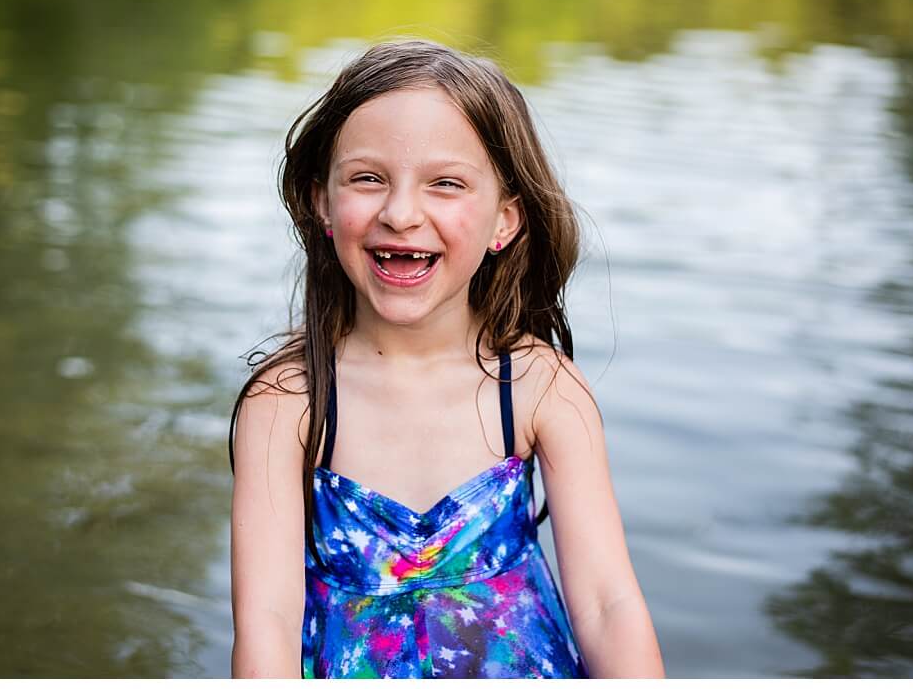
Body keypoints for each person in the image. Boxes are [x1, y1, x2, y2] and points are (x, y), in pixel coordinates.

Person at [229, 40, 665, 679]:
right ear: (322, 202)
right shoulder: (290, 401)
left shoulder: (539, 387)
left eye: (446, 184)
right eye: (368, 178)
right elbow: (266, 619)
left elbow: (607, 604)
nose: (402, 213)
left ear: (505, 220)